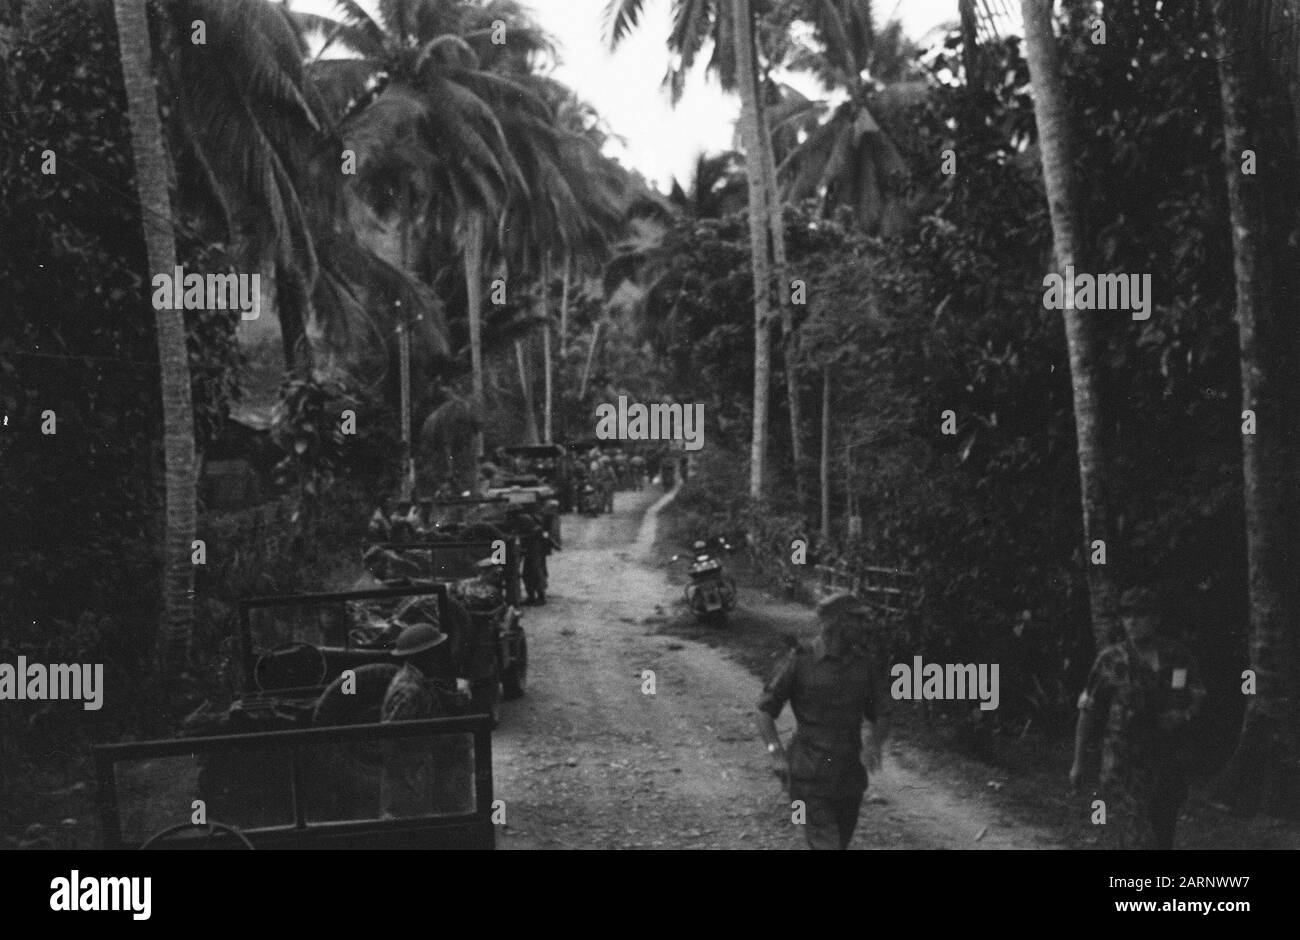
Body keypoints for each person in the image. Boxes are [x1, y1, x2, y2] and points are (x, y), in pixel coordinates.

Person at [1070, 586, 1206, 849]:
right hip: (1123, 763)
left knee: (1162, 834)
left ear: (1156, 619)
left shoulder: (1176, 656)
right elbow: (1088, 709)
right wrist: (1078, 761)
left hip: (1167, 762)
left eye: (1140, 614)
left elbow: (1197, 694)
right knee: (1136, 836)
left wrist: (1184, 716)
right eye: (1126, 614)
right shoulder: (1112, 660)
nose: (1132, 621)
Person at [755, 591, 887, 849]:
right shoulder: (800, 661)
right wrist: (776, 753)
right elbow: (763, 711)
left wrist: (874, 743)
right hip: (807, 776)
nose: (864, 626)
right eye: (857, 620)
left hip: (849, 777)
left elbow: (882, 714)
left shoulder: (864, 666)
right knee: (827, 844)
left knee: (838, 843)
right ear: (839, 623)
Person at [380, 622, 474, 818]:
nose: (439, 656)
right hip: (411, 778)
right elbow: (392, 739)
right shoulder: (408, 690)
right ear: (421, 656)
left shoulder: (418, 679)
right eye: (434, 652)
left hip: (421, 773)